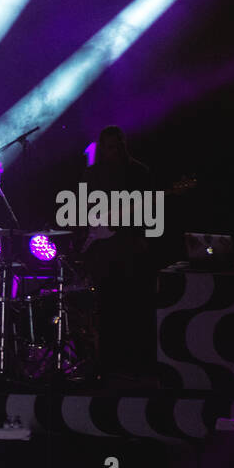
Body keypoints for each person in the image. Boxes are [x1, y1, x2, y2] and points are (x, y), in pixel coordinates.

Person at [79, 125, 157, 385]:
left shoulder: (139, 172)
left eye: (117, 146)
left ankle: (133, 363)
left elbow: (149, 209)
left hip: (128, 247)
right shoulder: (92, 174)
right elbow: (83, 209)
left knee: (131, 306)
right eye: (108, 146)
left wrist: (142, 236)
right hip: (101, 251)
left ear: (123, 146)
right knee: (104, 307)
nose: (112, 151)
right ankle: (105, 363)